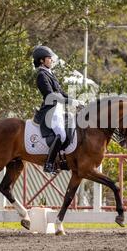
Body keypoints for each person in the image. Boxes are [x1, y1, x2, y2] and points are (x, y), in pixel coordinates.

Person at [32, 45, 82, 173]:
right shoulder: (41, 76)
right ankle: (49, 163)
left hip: (58, 109)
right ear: (42, 60)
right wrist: (70, 102)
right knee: (60, 133)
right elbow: (50, 96)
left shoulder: (50, 74)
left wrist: (77, 101)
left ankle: (64, 159)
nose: (52, 60)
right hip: (50, 110)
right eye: (49, 58)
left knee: (73, 128)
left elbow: (61, 93)